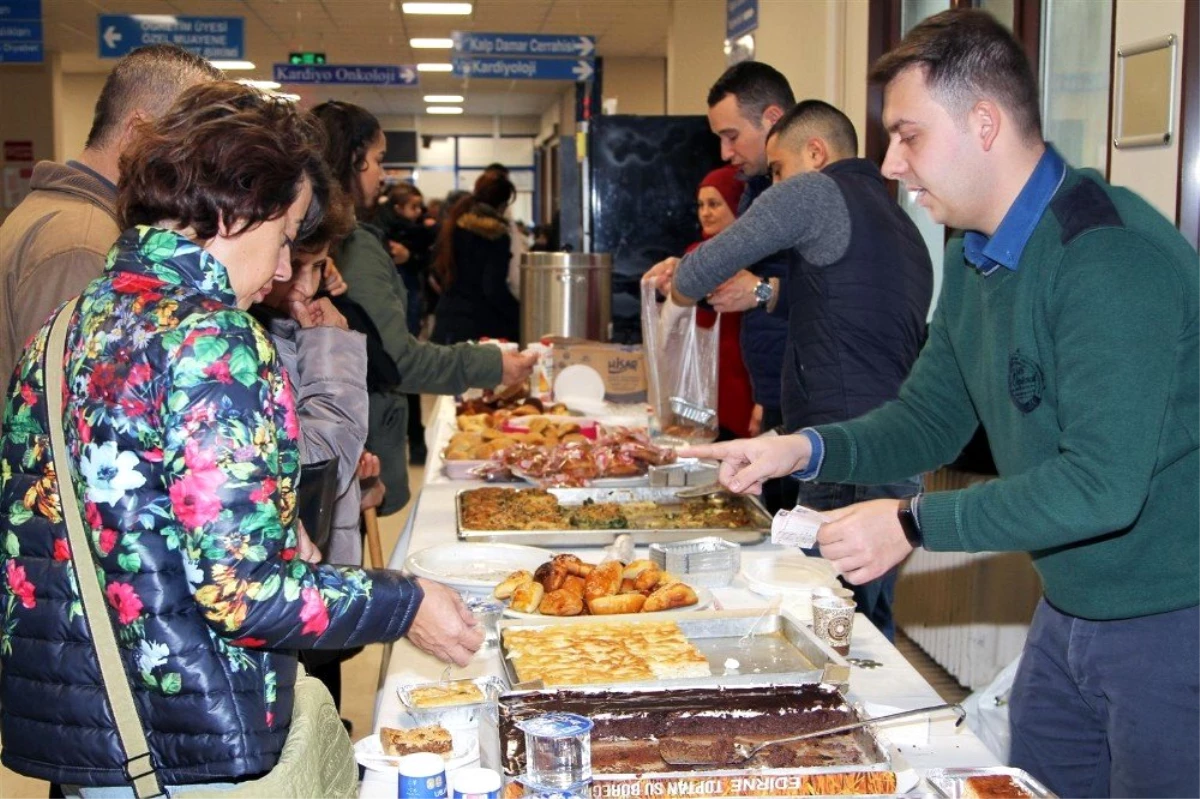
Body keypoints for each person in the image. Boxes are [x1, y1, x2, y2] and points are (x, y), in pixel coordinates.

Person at [685, 10, 1200, 797]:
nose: (891, 163)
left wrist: (913, 520)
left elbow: (1101, 485)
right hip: (1069, 607)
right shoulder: (975, 252)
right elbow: (928, 418)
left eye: (908, 135)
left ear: (983, 124)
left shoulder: (1107, 255)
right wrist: (801, 448)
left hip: (1169, 616)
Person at [0, 81, 481, 795]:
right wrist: (406, 601)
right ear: (235, 209)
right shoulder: (212, 336)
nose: (286, 269)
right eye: (284, 237)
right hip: (187, 738)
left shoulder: (73, 322)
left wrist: (273, 530)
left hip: (94, 731)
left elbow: (116, 523)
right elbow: (242, 593)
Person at [650, 100, 933, 640]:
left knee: (822, 623)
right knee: (857, 622)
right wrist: (765, 293)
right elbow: (841, 304)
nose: (774, 183)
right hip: (890, 444)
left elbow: (712, 260)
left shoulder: (818, 190)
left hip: (844, 451)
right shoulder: (899, 223)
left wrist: (677, 288)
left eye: (778, 170)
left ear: (816, 153)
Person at [311, 101, 535, 515]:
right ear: (354, 161)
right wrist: (492, 364)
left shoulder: (338, 244)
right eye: (378, 161)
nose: (382, 174)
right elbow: (396, 359)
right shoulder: (353, 247)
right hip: (351, 445)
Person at [0, 44, 222, 396]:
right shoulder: (84, 245)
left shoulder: (66, 219)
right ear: (137, 132)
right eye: (189, 146)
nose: (197, 170)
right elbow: (74, 413)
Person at [650, 62, 794, 508]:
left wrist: (765, 291)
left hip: (808, 413)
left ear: (771, 120)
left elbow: (833, 301)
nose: (726, 152)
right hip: (775, 400)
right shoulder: (758, 189)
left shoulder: (808, 197)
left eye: (731, 136)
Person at [690, 165, 754, 440]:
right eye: (701, 204)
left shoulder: (751, 257)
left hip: (741, 379)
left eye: (714, 204)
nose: (705, 212)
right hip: (705, 379)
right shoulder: (695, 253)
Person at [431, 172, 522, 345]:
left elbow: (436, 272)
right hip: (477, 327)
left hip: (447, 320)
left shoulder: (455, 226)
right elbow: (493, 288)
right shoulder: (496, 235)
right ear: (503, 205)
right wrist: (520, 314)